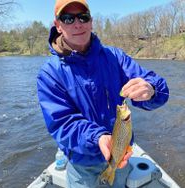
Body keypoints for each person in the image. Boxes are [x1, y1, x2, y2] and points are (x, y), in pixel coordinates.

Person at [37, 0, 169, 187]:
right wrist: (97, 138)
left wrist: (151, 90)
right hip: (83, 166)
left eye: (83, 17)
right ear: (58, 26)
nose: (77, 24)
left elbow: (158, 88)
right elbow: (61, 123)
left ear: (91, 22)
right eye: (68, 18)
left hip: (121, 156)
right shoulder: (49, 73)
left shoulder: (115, 57)